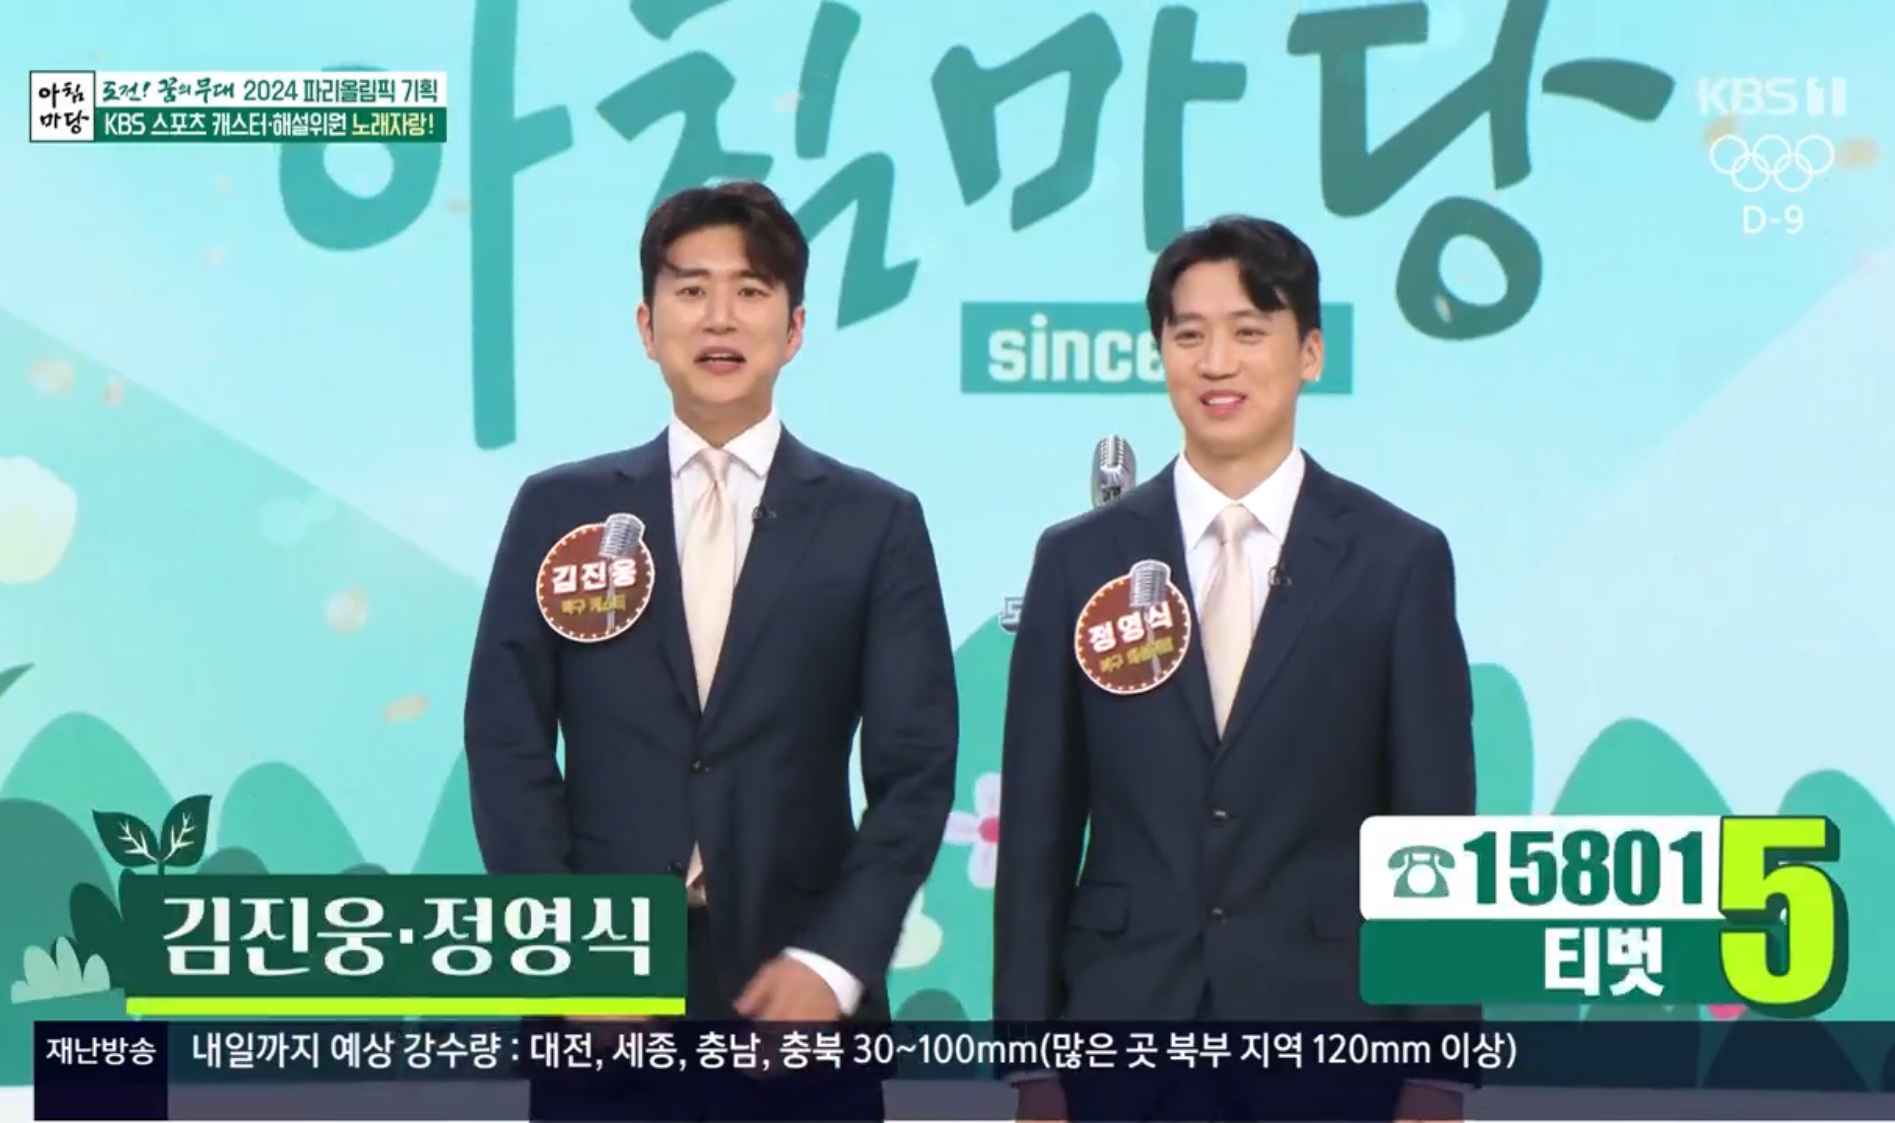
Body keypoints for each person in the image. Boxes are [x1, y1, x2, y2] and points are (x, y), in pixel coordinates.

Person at [464, 180, 959, 1119]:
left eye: (751, 290)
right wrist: (574, 954)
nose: (720, 317)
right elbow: (506, 740)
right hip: (605, 1007)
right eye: (691, 290)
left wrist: (834, 961)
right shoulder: (559, 509)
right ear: (647, 326)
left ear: (795, 327)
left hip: (799, 998)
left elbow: (917, 769)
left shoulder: (876, 523)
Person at [993, 216, 1478, 1122]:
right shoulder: (1078, 559)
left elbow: (1436, 827)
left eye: (1250, 332)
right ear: (1161, 354)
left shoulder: (1396, 560)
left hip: (1332, 1039)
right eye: (1190, 335)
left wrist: (1439, 1066)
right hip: (1121, 1035)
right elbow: (1037, 832)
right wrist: (1030, 1063)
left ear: (1310, 352)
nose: (1217, 362)